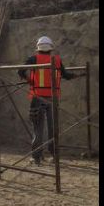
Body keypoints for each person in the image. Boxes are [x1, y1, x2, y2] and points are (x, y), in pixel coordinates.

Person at [17, 36, 78, 165]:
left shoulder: (33, 59)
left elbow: (20, 71)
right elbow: (66, 75)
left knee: (38, 128)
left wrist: (29, 80)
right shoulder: (57, 60)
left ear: (38, 48)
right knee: (53, 127)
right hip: (53, 98)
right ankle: (54, 155)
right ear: (51, 49)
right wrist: (75, 75)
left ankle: (36, 157)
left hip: (37, 97)